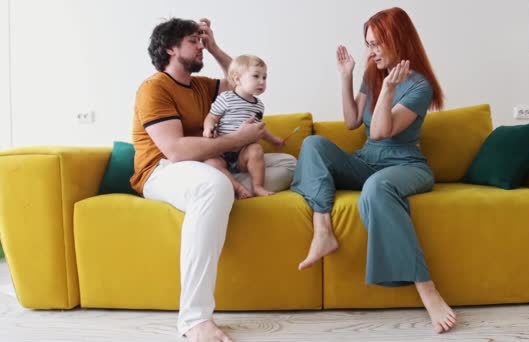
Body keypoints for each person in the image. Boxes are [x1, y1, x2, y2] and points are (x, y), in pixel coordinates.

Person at [290, 7, 457, 334]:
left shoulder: (419, 86)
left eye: (378, 44)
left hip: (406, 166)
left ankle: (428, 289)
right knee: (313, 145)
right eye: (368, 44)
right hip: (367, 161)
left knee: (377, 188)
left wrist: (390, 90)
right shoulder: (372, 73)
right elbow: (353, 122)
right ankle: (323, 232)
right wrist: (346, 76)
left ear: (399, 40)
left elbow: (381, 130)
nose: (371, 51)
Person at [131, 18, 295, 342]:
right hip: (162, 170)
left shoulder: (203, 86)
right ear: (170, 48)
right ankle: (194, 319)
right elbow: (175, 150)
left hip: (208, 165)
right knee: (213, 184)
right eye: (194, 41)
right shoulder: (154, 88)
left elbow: (238, 78)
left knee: (287, 164)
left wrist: (215, 46)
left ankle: (222, 191)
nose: (200, 46)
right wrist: (236, 140)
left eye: (201, 40)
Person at [203, 55, 285, 199]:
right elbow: (212, 116)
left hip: (243, 154)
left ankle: (258, 186)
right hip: (222, 151)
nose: (262, 81)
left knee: (256, 149)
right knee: (210, 163)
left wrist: (273, 140)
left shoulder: (259, 105)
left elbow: (259, 128)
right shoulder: (226, 98)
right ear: (237, 79)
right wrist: (208, 128)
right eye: (256, 76)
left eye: (264, 77)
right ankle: (237, 187)